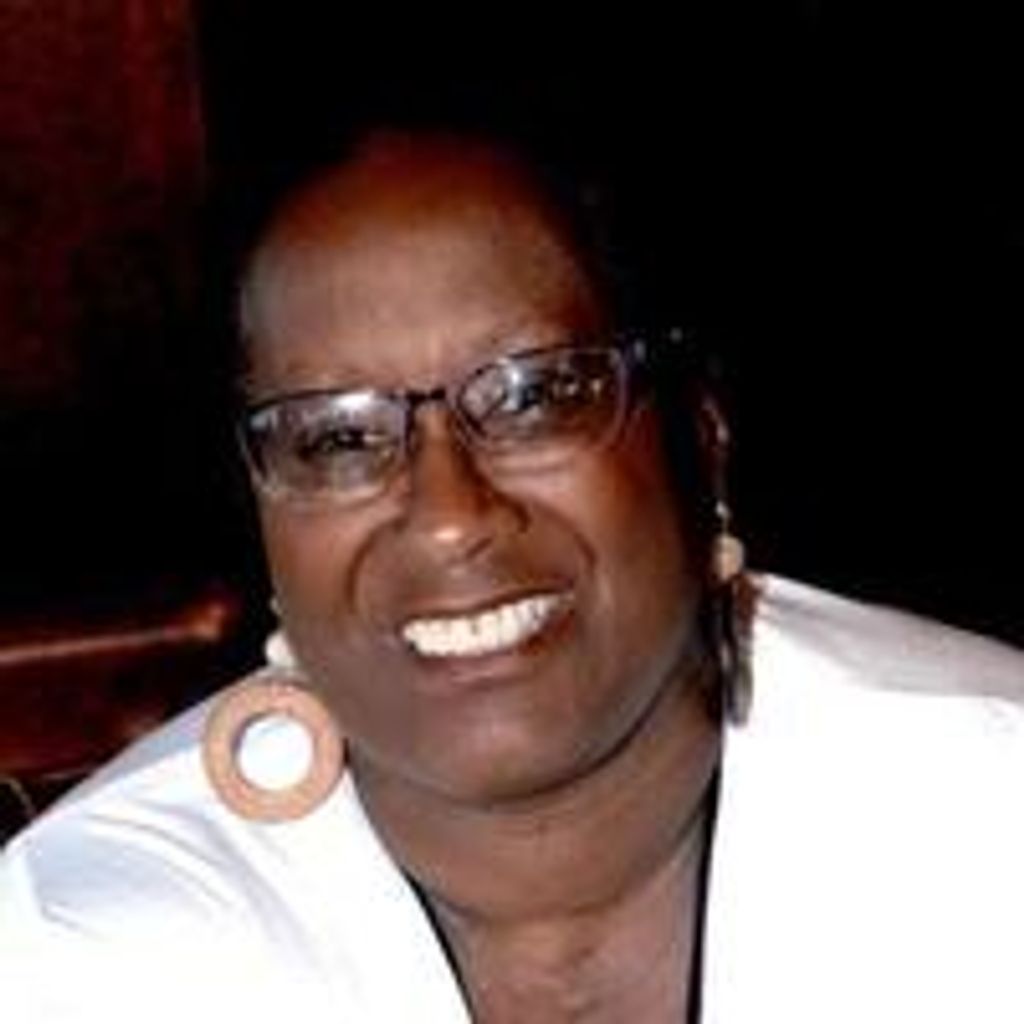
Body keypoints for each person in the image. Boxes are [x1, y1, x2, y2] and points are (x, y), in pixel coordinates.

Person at [2, 126, 1023, 1024]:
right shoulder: (81, 946)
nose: (450, 515)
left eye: (535, 396)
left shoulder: (990, 810)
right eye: (338, 437)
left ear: (700, 443)